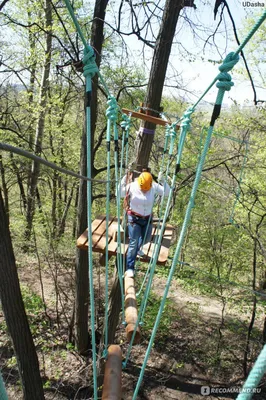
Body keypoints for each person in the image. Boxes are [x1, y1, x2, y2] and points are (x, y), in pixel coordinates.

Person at [118, 170, 170, 278]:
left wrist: (162, 181)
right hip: (134, 217)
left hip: (147, 219)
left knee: (146, 239)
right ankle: (130, 268)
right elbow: (118, 193)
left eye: (147, 189)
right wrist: (124, 178)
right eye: (142, 189)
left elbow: (167, 192)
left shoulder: (154, 187)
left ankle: (138, 248)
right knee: (133, 241)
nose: (144, 191)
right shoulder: (132, 186)